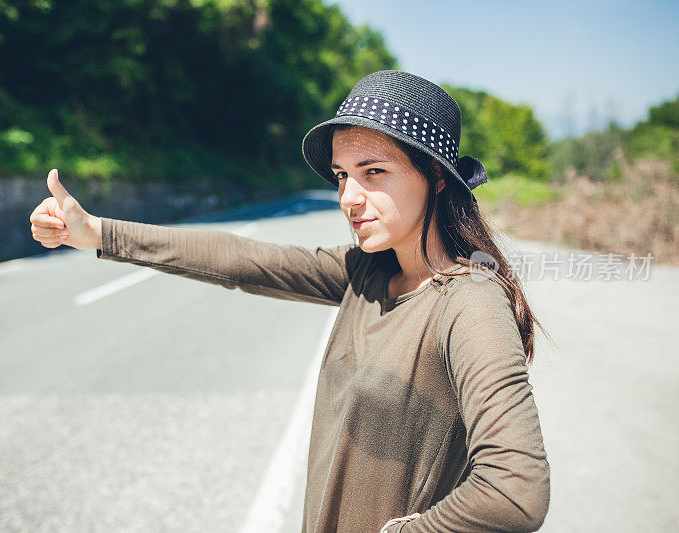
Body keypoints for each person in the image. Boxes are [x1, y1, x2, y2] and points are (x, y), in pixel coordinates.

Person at [30, 70, 551, 532]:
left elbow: (515, 491)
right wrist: (97, 232)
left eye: (374, 172)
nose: (348, 197)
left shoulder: (470, 303)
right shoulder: (368, 271)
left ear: (436, 177)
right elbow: (241, 259)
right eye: (342, 176)